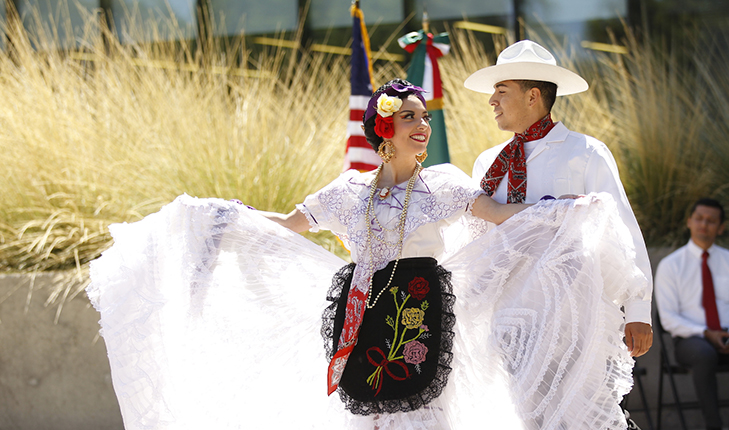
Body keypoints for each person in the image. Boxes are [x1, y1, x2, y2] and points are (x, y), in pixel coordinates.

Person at [88, 79, 648, 430]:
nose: (423, 126)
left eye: (425, 118)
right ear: (385, 132)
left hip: (420, 312)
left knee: (426, 415)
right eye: (410, 118)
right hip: (360, 309)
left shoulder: (448, 185)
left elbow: (503, 217)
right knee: (366, 417)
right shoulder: (348, 191)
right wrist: (225, 216)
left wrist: (569, 209)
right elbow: (288, 225)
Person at [465, 39, 653, 357]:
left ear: (533, 96)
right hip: (504, 314)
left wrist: (637, 311)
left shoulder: (585, 152)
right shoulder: (488, 162)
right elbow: (476, 239)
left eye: (501, 90)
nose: (492, 100)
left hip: (574, 313)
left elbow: (622, 229)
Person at [655, 198, 729, 430]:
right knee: (704, 353)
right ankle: (714, 427)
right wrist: (706, 333)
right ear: (689, 222)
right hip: (691, 341)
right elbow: (668, 318)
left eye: (711, 221)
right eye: (699, 218)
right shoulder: (671, 265)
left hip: (726, 334)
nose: (704, 224)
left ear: (721, 227)